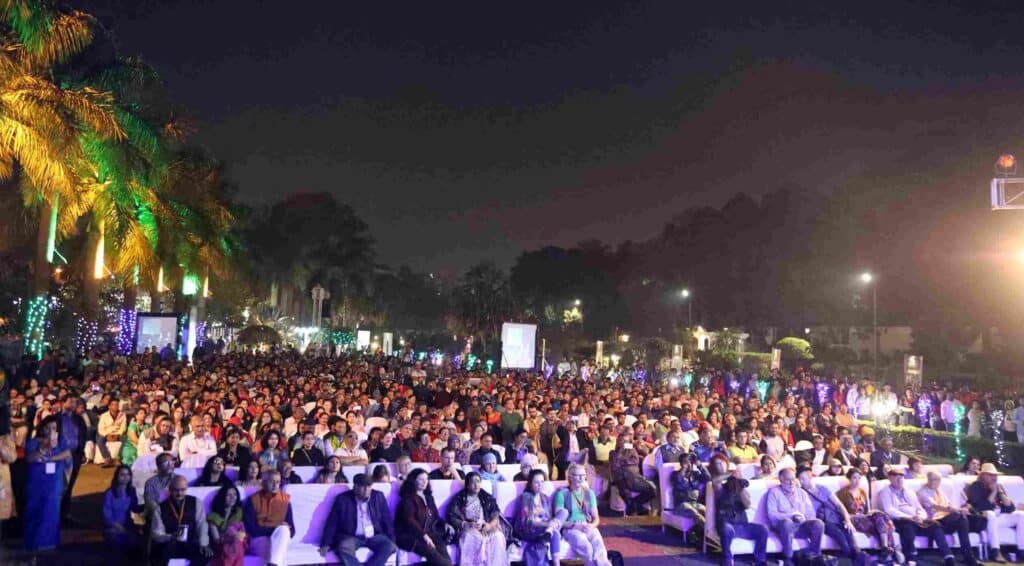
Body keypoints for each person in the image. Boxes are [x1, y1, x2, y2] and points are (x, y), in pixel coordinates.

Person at [877, 468, 958, 566]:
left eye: (901, 478)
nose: (899, 480)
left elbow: (919, 508)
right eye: (896, 478)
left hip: (916, 520)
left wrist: (920, 516)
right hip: (900, 520)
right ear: (890, 478)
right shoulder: (885, 492)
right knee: (908, 526)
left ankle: (948, 556)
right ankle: (911, 558)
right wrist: (909, 517)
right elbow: (889, 510)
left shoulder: (909, 491)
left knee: (935, 524)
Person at [319, 473, 397, 566]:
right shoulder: (343, 499)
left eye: (369, 486)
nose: (366, 490)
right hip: (351, 536)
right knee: (343, 547)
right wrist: (326, 543)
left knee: (389, 546)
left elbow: (386, 520)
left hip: (374, 535)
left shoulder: (378, 496)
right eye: (363, 486)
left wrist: (392, 540)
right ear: (355, 487)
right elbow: (332, 523)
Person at [24, 416, 72, 551]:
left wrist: (51, 457)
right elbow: (30, 458)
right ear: (42, 427)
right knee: (35, 509)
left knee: (51, 510)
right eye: (48, 427)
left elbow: (67, 454)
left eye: (54, 428)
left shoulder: (61, 441)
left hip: (54, 481)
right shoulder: (33, 442)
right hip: (37, 481)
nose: (51, 430)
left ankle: (48, 542)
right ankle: (33, 542)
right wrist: (45, 447)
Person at [795, 466, 860, 562]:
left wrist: (847, 520)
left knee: (850, 535)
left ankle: (858, 558)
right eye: (800, 479)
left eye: (803, 479)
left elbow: (839, 505)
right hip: (823, 522)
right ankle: (851, 559)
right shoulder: (801, 493)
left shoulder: (822, 489)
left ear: (810, 476)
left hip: (836, 517)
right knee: (842, 539)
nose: (801, 482)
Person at [447, 471, 511, 566]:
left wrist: (489, 525)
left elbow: (496, 514)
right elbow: (452, 516)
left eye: (478, 481)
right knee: (470, 537)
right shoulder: (459, 498)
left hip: (486, 527)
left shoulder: (487, 497)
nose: (476, 484)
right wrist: (466, 524)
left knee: (498, 536)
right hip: (469, 528)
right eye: (472, 482)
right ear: (467, 485)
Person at [836, 468, 899, 563]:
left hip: (865, 518)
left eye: (859, 478)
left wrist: (872, 512)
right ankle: (890, 551)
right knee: (885, 526)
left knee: (879, 515)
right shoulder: (841, 493)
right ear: (849, 479)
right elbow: (839, 511)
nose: (857, 481)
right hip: (852, 519)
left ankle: (885, 548)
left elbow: (866, 510)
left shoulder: (862, 492)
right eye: (854, 478)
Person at [553, 464, 612, 566]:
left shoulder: (589, 493)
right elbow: (559, 520)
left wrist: (592, 525)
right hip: (571, 528)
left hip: (587, 525)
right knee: (587, 548)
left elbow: (596, 518)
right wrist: (575, 525)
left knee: (599, 547)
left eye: (583, 475)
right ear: (570, 476)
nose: (581, 478)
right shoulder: (562, 494)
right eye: (577, 475)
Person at [964, 463, 1024, 563]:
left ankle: (1021, 550)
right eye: (991, 475)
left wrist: (1000, 492)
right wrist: (993, 492)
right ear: (983, 475)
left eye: (995, 475)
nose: (994, 477)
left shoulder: (998, 486)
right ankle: (995, 551)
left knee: (1021, 515)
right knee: (991, 514)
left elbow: (1011, 508)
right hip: (983, 518)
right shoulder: (976, 486)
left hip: (999, 517)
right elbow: (979, 507)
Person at [765, 467, 824, 566]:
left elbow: (811, 513)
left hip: (801, 526)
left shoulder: (801, 492)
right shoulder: (774, 492)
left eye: (793, 479)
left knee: (818, 523)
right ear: (781, 480)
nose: (791, 482)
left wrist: (804, 518)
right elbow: (772, 515)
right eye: (788, 480)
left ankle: (814, 555)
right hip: (782, 528)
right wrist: (791, 516)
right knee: (786, 523)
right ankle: (788, 557)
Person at [150, 475, 213, 565]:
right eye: (176, 490)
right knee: (159, 555)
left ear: (186, 489)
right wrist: (170, 537)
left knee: (206, 554)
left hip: (190, 542)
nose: (179, 493)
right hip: (169, 544)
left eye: (182, 490)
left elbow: (201, 524)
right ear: (170, 489)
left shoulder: (196, 502)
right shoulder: (160, 508)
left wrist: (204, 543)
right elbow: (157, 533)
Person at [395, 468, 453, 566]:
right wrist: (424, 536)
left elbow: (435, 516)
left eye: (426, 479)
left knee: (447, 561)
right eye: (421, 479)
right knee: (443, 563)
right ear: (413, 481)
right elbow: (410, 521)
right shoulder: (407, 498)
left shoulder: (428, 496)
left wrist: (445, 524)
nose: (424, 482)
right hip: (412, 536)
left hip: (430, 533)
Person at [243, 470, 295, 566]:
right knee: (278, 550)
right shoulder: (253, 499)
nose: (275, 485)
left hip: (279, 538)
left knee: (284, 530)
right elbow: (251, 529)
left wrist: (279, 529)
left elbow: (292, 531)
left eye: (278, 482)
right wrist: (275, 528)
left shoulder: (285, 500)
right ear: (264, 483)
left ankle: (273, 564)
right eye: (272, 481)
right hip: (259, 539)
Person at [516, 469, 567, 566]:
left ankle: (550, 531)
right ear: (530, 484)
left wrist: (549, 525)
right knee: (554, 532)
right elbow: (527, 522)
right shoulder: (526, 497)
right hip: (528, 530)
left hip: (544, 529)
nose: (540, 485)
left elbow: (550, 518)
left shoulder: (545, 498)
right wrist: (548, 524)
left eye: (542, 482)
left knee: (564, 512)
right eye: (536, 482)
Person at [716, 475, 768, 566]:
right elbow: (716, 480)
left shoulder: (742, 491)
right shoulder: (721, 490)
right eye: (732, 482)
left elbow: (747, 505)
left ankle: (760, 560)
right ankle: (727, 559)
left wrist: (740, 487)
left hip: (742, 525)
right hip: (728, 525)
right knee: (726, 528)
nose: (733, 484)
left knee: (763, 529)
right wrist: (731, 474)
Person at [609, 430, 656, 516]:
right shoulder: (613, 453)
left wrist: (623, 461)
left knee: (652, 490)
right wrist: (621, 452)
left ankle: (635, 504)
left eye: (625, 441)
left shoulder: (632, 450)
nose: (623, 443)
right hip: (621, 478)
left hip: (635, 477)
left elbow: (635, 461)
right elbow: (615, 465)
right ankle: (633, 510)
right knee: (625, 492)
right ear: (617, 442)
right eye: (621, 441)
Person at [102, 464, 144, 556]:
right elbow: (107, 516)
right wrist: (120, 528)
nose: (125, 477)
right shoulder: (110, 493)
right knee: (118, 544)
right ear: (117, 476)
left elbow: (135, 510)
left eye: (128, 474)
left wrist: (140, 525)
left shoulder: (132, 491)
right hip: (113, 527)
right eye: (122, 475)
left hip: (128, 526)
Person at [669, 453, 710, 533]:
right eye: (685, 462)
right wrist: (683, 469)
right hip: (681, 505)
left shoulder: (696, 474)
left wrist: (700, 466)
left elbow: (708, 479)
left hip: (695, 503)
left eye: (690, 462)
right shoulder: (674, 474)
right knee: (696, 514)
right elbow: (678, 481)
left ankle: (713, 534)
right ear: (681, 463)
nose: (689, 464)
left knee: (708, 512)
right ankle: (707, 534)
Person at [207, 484, 246, 566]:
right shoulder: (213, 516)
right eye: (229, 495)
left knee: (237, 541)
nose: (232, 497)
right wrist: (230, 534)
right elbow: (217, 540)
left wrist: (236, 535)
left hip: (239, 543)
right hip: (222, 546)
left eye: (235, 494)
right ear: (222, 497)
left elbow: (243, 533)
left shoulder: (239, 512)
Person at [96, 397, 127, 467]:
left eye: (117, 405)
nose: (115, 406)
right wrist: (106, 435)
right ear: (109, 406)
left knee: (126, 439)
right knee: (99, 439)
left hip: (118, 434)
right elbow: (100, 429)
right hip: (106, 434)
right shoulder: (104, 416)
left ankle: (118, 458)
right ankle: (107, 458)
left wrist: (118, 435)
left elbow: (123, 427)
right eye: (113, 404)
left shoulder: (122, 415)